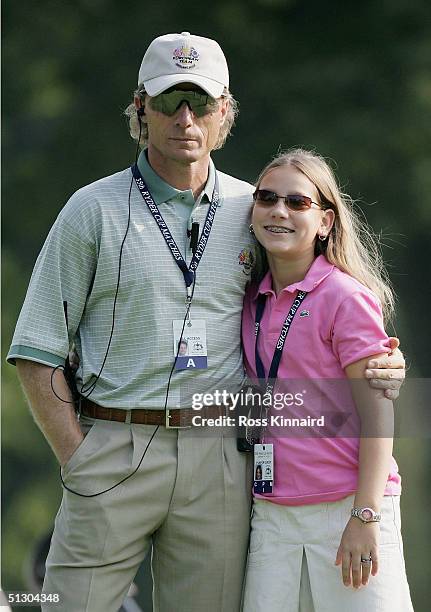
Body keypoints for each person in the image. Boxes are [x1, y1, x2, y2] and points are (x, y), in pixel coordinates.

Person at [7, 33, 405, 612]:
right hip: (114, 442)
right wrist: (79, 455)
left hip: (221, 455)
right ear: (141, 108)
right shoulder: (90, 210)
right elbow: (35, 350)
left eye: (201, 101)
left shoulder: (259, 209)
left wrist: (382, 362)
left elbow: (327, 295)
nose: (185, 118)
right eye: (170, 101)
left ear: (225, 113)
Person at [241, 149, 413, 611]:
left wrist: (365, 515)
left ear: (325, 222)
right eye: (267, 198)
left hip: (346, 508)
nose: (279, 210)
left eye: (297, 203)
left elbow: (379, 410)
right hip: (271, 515)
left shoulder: (345, 296)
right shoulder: (249, 298)